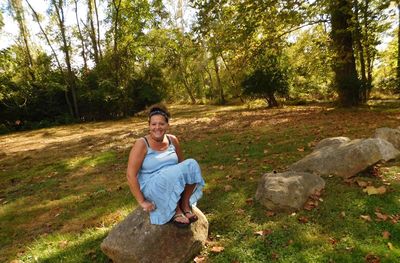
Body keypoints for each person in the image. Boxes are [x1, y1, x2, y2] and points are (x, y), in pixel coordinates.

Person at [126, 104, 205, 227]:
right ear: (149, 126)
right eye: (153, 124)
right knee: (170, 174)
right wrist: (142, 201)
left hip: (171, 180)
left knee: (191, 164)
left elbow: (182, 165)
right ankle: (175, 211)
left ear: (167, 125)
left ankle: (184, 204)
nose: (157, 127)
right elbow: (131, 175)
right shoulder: (141, 144)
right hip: (152, 185)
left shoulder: (172, 140)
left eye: (161, 124)